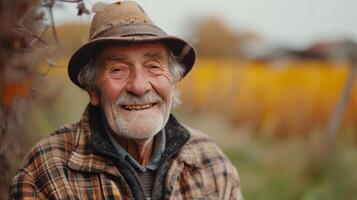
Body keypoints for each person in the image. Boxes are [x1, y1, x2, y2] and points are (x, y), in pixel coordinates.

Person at [10, 1, 243, 199]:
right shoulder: (46, 171)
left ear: (173, 83)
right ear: (93, 90)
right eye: (118, 70)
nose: (139, 86)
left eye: (153, 67)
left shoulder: (211, 163)